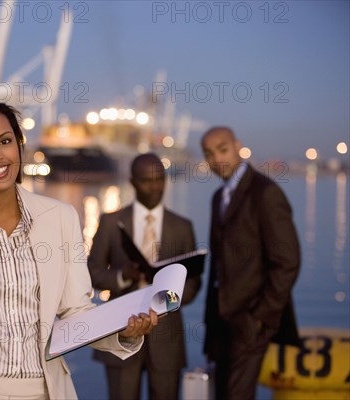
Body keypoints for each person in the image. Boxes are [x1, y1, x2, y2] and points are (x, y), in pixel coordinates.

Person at [0, 97, 159, 399]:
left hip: (44, 391)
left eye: (5, 141)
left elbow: (75, 313)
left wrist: (122, 330)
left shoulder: (60, 217)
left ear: (19, 144)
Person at [88, 153, 202, 400]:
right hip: (121, 332)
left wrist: (167, 300)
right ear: (132, 182)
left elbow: (193, 282)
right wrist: (121, 276)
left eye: (160, 179)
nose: (155, 186)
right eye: (147, 180)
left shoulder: (182, 226)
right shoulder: (110, 222)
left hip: (167, 338)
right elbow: (92, 272)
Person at [200, 127, 301, 400]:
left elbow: (288, 260)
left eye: (223, 149)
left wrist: (261, 317)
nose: (216, 159)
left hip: (250, 321)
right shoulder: (218, 198)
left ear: (238, 146)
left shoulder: (265, 193)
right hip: (221, 322)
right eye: (209, 154)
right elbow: (219, 266)